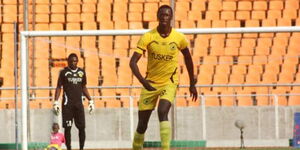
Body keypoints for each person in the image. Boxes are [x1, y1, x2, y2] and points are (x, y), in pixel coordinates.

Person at [129, 5, 198, 150]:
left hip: (170, 82)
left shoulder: (179, 38)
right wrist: (143, 82)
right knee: (142, 125)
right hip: (150, 84)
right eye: (161, 15)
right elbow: (132, 62)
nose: (164, 17)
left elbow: (188, 58)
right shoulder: (148, 37)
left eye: (167, 15)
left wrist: (192, 83)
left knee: (162, 111)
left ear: (171, 17)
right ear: (157, 17)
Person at [53, 53, 95, 150]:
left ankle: (81, 148)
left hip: (79, 105)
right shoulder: (63, 73)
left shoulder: (82, 72)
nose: (73, 63)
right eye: (71, 61)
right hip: (67, 105)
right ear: (68, 62)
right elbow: (59, 87)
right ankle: (69, 148)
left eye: (75, 61)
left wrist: (90, 100)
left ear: (77, 62)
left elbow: (83, 87)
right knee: (67, 128)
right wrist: (56, 101)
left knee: (82, 128)